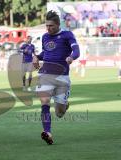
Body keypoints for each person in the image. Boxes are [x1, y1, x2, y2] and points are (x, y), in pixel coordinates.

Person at [33, 10, 80, 145]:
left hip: (62, 77)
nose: (48, 28)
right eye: (46, 26)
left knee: (59, 113)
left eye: (51, 26)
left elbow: (76, 50)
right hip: (45, 74)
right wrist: (36, 57)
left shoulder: (67, 35)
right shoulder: (45, 37)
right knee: (45, 101)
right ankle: (47, 132)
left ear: (58, 25)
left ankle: (64, 105)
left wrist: (72, 57)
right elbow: (46, 52)